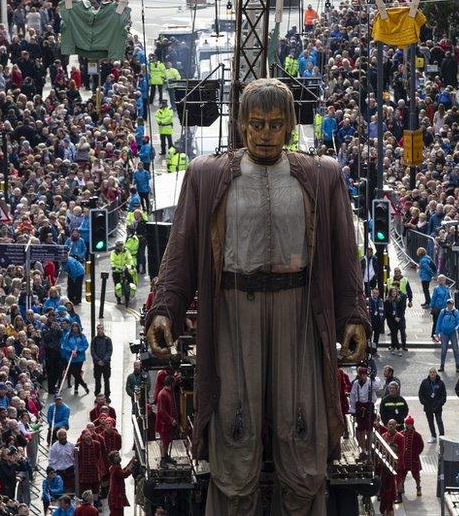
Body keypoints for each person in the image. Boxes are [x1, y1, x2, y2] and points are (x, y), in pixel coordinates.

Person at [146, 77, 371, 513]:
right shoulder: (206, 174)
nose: (265, 134)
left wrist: (353, 315)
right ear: (241, 126)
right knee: (235, 430)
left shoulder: (322, 176)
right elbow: (182, 251)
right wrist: (164, 312)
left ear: (289, 126)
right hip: (233, 310)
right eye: (255, 124)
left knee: (301, 429)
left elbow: (346, 254)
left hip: (300, 311)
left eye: (273, 124)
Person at [349, 366, 377, 457]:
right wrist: (353, 409)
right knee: (361, 430)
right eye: (361, 375)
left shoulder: (370, 382)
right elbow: (353, 396)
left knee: (369, 430)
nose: (363, 376)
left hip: (369, 407)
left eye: (364, 374)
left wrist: (373, 379)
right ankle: (363, 450)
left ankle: (369, 450)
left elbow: (378, 387)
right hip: (360, 408)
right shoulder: (356, 383)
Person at [397, 416, 424, 498]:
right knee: (402, 474)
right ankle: (401, 487)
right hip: (404, 459)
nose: (408, 426)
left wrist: (416, 454)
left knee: (416, 475)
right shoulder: (401, 434)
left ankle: (418, 487)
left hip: (413, 459)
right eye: (407, 424)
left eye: (410, 424)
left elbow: (421, 446)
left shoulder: (417, 435)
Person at [417, 368, 447, 442]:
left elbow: (444, 394)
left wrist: (440, 402)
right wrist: (424, 402)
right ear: (429, 373)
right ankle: (433, 436)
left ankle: (442, 436)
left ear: (436, 373)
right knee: (430, 422)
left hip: (437, 405)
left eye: (434, 372)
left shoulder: (440, 383)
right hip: (428, 406)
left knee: (439, 421)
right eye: (431, 372)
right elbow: (421, 393)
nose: (432, 373)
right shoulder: (424, 382)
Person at [61, 323, 89, 396]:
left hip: (80, 358)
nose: (75, 328)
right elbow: (64, 345)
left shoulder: (82, 336)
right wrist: (70, 351)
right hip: (71, 358)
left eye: (76, 326)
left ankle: (76, 388)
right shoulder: (68, 336)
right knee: (75, 373)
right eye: (73, 327)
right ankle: (84, 385)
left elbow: (85, 345)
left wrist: (78, 350)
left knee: (77, 373)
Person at [434, 299, 459, 372]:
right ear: (447, 304)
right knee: (443, 350)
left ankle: (457, 366)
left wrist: (457, 327)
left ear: (453, 304)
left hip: (453, 333)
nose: (449, 305)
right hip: (444, 333)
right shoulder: (443, 311)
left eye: (451, 304)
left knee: (456, 350)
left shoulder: (456, 312)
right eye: (448, 304)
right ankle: (442, 365)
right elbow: (439, 322)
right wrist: (437, 332)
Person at [156, 373, 178, 464]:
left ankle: (166, 456)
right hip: (163, 423)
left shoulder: (169, 393)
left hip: (168, 423)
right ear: (171, 383)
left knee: (167, 440)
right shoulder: (163, 394)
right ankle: (162, 459)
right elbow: (162, 410)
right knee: (163, 441)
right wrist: (170, 420)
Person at [47, 429, 76, 494]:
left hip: (70, 470)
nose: (63, 437)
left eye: (64, 435)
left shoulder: (71, 445)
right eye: (61, 435)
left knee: (71, 489)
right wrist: (54, 471)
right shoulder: (54, 447)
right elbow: (51, 460)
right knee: (61, 490)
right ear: (58, 437)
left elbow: (74, 458)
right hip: (59, 472)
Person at [107, 452, 135, 516]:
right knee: (117, 513)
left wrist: (130, 463)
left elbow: (122, 471)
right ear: (112, 459)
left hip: (115, 494)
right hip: (116, 495)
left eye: (118, 455)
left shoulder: (115, 467)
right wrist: (131, 464)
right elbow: (124, 474)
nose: (118, 457)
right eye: (116, 456)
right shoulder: (116, 468)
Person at [91, 324, 113, 397]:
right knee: (97, 380)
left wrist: (104, 360)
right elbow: (92, 351)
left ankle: (107, 396)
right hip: (97, 364)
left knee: (106, 380)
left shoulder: (108, 339)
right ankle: (97, 395)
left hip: (106, 364)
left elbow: (109, 351)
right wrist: (98, 360)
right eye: (98, 328)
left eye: (101, 328)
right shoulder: (94, 340)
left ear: (103, 329)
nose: (100, 330)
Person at [384, 285, 408, 352]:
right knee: (393, 332)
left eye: (395, 291)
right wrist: (394, 317)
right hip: (391, 319)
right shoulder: (387, 301)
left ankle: (404, 345)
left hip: (400, 318)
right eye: (392, 292)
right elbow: (387, 311)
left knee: (402, 332)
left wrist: (399, 317)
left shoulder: (400, 299)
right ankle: (394, 346)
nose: (394, 293)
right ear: (390, 293)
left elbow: (402, 308)